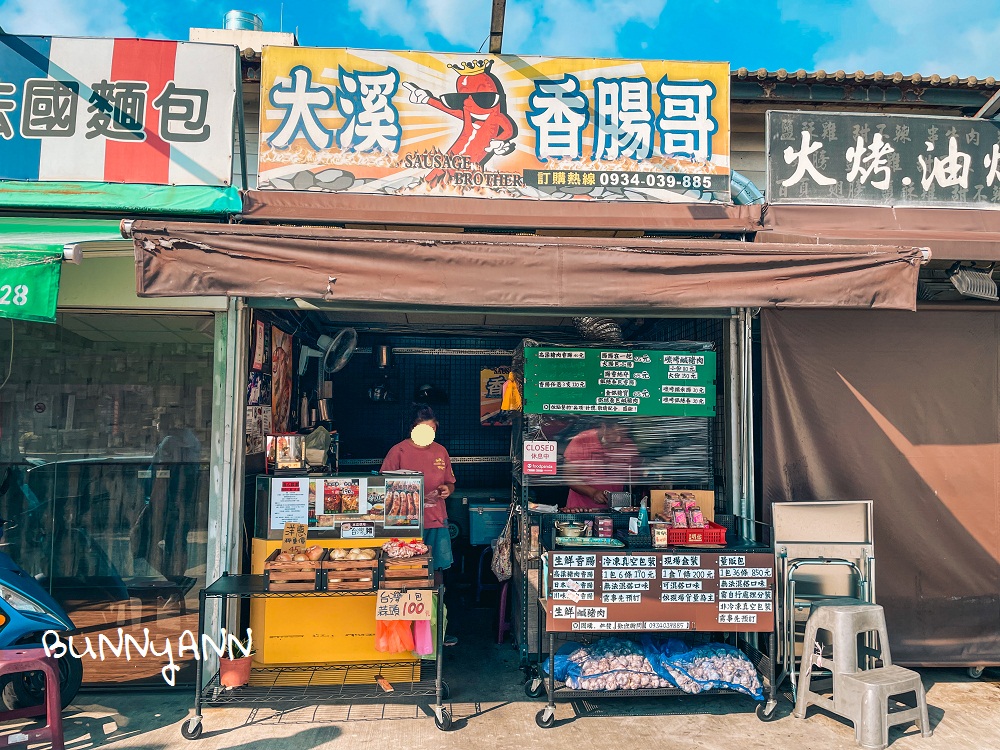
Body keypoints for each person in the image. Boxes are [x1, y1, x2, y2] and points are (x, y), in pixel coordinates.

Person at [380, 404, 458, 645]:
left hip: (436, 519)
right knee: (405, 570)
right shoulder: (399, 450)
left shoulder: (440, 451)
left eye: (432, 429)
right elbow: (384, 485)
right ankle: (406, 631)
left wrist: (447, 489)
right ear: (413, 428)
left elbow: (450, 483)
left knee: (436, 571)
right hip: (405, 523)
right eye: (423, 429)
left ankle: (435, 629)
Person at [564, 419, 640, 510]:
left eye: (622, 435)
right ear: (604, 427)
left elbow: (634, 481)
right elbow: (570, 477)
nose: (619, 439)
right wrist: (592, 493)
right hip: (581, 509)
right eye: (615, 434)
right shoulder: (582, 440)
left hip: (615, 509)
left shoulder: (628, 446)